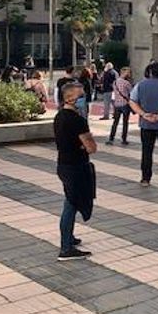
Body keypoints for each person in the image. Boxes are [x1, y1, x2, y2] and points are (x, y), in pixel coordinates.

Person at [54, 82, 97, 261]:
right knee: (71, 204)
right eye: (81, 96)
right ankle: (66, 248)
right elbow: (91, 147)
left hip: (64, 164)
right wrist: (85, 145)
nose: (84, 98)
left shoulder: (60, 116)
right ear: (70, 98)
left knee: (70, 201)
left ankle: (69, 238)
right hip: (76, 167)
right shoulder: (77, 120)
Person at [106, 67, 132, 146]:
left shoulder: (115, 82)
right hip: (125, 104)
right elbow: (131, 92)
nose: (129, 75)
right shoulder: (126, 83)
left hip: (117, 104)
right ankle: (124, 139)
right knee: (125, 122)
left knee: (115, 122)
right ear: (125, 73)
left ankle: (111, 138)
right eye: (128, 73)